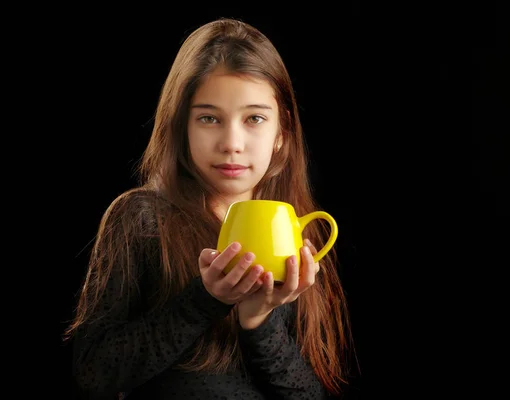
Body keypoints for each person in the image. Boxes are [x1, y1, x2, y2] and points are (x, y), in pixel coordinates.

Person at [63, 17, 355, 400]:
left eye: (254, 118)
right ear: (181, 126)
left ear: (281, 133)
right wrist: (206, 299)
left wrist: (258, 320)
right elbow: (93, 373)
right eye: (209, 118)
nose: (232, 142)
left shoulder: (296, 237)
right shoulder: (141, 219)